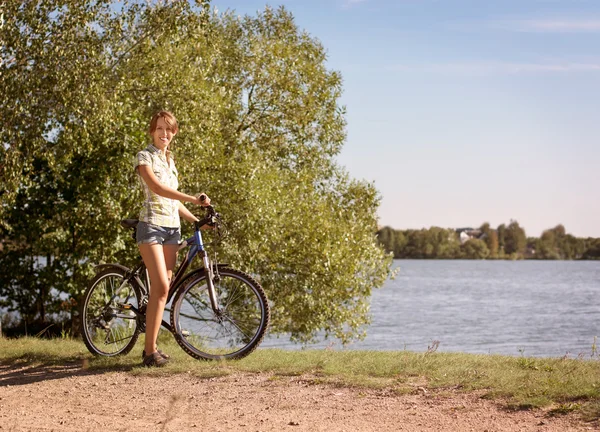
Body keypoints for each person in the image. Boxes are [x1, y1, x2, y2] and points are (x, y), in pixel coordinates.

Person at [134, 110, 209, 367]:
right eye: (159, 129)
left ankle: (152, 347)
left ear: (174, 133)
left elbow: (173, 202)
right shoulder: (144, 157)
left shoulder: (170, 162)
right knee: (162, 287)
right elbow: (157, 189)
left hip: (172, 229)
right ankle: (148, 354)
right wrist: (192, 198)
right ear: (152, 131)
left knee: (162, 288)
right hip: (151, 227)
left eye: (169, 130)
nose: (164, 133)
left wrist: (196, 220)